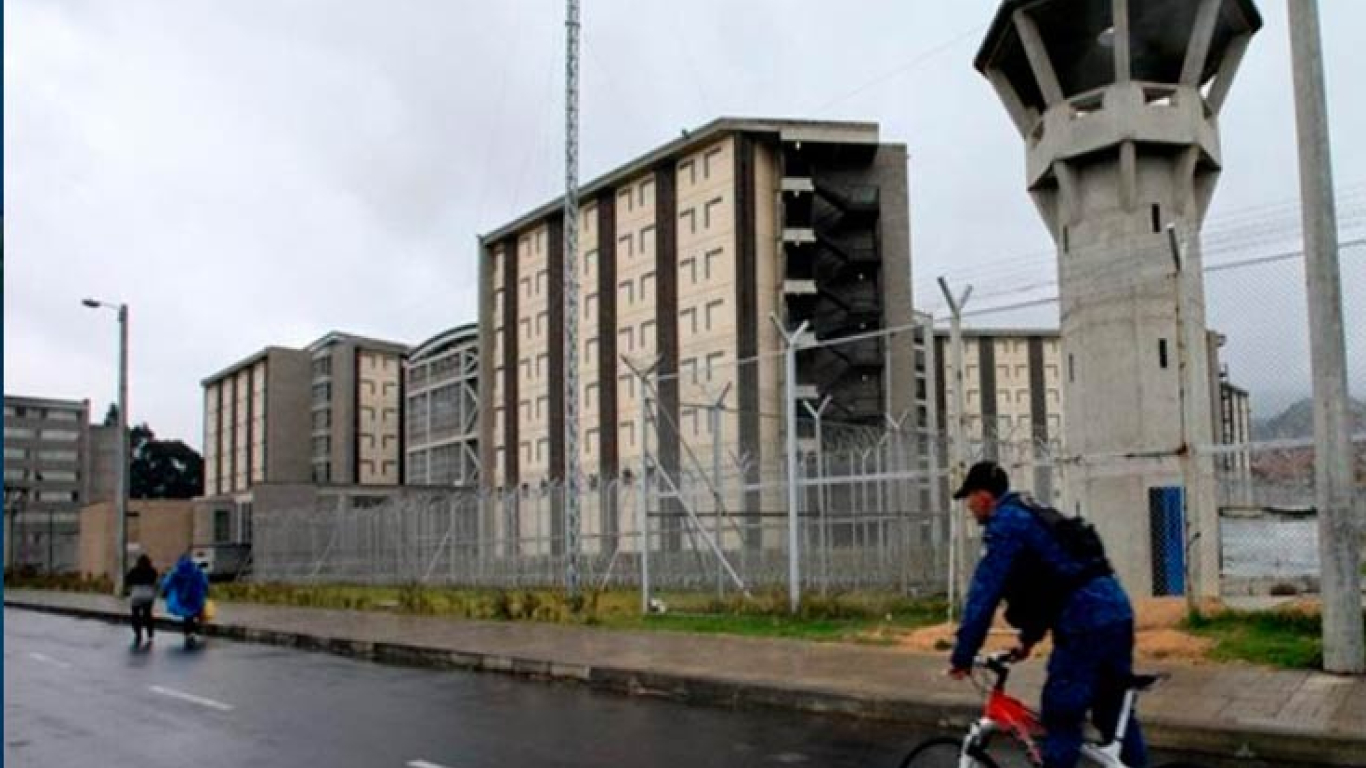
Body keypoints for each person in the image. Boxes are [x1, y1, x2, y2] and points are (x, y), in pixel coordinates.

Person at [947, 461, 1147, 768]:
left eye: (970, 498)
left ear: (984, 496)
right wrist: (1029, 639)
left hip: (1084, 621)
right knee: (1112, 709)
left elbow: (985, 592)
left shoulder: (1006, 523)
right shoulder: (1033, 512)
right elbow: (1050, 581)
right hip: (1115, 611)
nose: (969, 507)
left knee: (1062, 711)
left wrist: (963, 653)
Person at [161, 554, 209, 647]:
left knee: (188, 616)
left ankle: (189, 634)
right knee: (196, 614)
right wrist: (205, 591)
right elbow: (204, 583)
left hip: (183, 597)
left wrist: (165, 590)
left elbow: (167, 583)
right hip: (196, 596)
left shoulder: (176, 571)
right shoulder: (196, 570)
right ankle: (195, 631)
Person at [126, 554, 159, 647]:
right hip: (148, 594)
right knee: (147, 614)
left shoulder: (134, 570)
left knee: (135, 615)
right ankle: (150, 635)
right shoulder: (152, 571)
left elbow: (128, 580)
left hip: (136, 594)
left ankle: (138, 634)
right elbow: (154, 580)